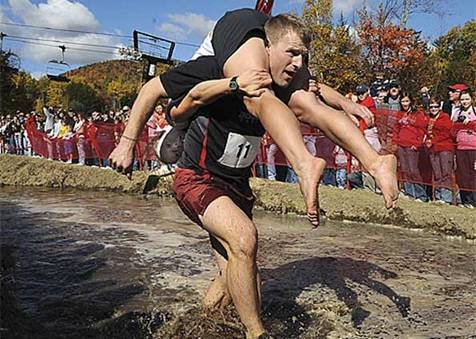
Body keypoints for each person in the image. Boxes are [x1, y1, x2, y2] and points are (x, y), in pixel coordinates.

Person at [109, 8, 399, 213]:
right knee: (306, 104)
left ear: (173, 138)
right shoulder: (186, 112)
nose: (177, 148)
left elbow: (151, 89)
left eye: (172, 148)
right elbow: (316, 89)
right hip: (263, 38)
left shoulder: (184, 101)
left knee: (256, 93)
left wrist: (126, 144)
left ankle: (305, 165)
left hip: (238, 28)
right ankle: (375, 162)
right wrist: (346, 104)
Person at [168, 66, 325, 338]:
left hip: (237, 187)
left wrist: (347, 105)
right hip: (198, 178)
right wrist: (233, 83)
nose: (296, 63)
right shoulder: (223, 69)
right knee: (243, 239)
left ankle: (199, 327)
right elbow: (188, 100)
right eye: (291, 53)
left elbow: (319, 96)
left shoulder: (276, 89)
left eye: (301, 56)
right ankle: (256, 333)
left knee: (234, 273)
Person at [393, 93, 429, 201]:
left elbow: (421, 130)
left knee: (413, 170)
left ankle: (421, 194)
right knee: (404, 169)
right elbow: (396, 129)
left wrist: (417, 144)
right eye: (403, 101)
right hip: (401, 144)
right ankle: (409, 192)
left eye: (406, 101)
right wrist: (395, 142)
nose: (405, 104)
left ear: (411, 102)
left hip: (412, 145)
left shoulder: (417, 114)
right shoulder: (399, 114)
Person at [424, 98, 454, 203]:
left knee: (445, 172)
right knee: (437, 173)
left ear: (439, 107)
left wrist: (433, 140)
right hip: (433, 149)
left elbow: (447, 133)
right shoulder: (428, 118)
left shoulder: (444, 117)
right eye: (431, 107)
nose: (433, 109)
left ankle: (446, 197)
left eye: (435, 106)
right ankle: (437, 196)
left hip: (444, 148)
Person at [451, 91, 476, 207]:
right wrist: (458, 123)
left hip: (473, 148)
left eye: (466, 99)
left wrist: (470, 123)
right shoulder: (457, 112)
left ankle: (473, 200)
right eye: (462, 100)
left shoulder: (475, 111)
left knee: (473, 173)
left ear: (471, 99)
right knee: (462, 174)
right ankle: (465, 200)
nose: (464, 102)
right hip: (460, 147)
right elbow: (452, 131)